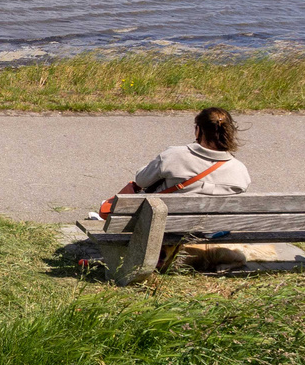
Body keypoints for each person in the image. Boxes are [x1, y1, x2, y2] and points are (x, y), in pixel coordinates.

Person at [91, 107, 251, 271]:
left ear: (198, 131)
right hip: (211, 232)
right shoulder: (240, 170)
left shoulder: (174, 155)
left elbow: (141, 180)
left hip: (165, 229)